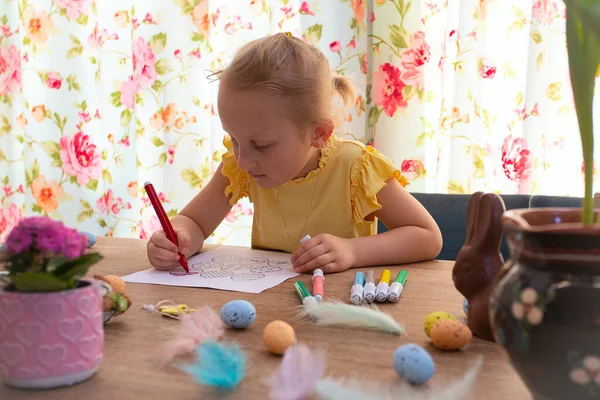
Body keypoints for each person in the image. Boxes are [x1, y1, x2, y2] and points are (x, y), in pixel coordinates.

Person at [147, 32, 442, 274]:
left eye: (260, 145)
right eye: (233, 139)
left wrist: (352, 251)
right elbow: (196, 222)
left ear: (318, 134)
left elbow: (427, 236)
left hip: (341, 310)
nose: (242, 159)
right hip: (270, 311)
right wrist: (178, 238)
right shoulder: (241, 168)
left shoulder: (356, 168)